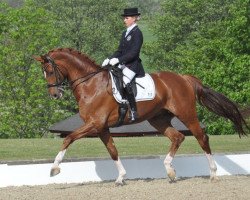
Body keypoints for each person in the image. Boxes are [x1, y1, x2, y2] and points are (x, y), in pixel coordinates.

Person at [102, 7, 145, 121]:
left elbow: (134, 53)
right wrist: (109, 58)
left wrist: (118, 60)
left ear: (134, 19)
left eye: (127, 18)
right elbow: (120, 51)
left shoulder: (137, 33)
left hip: (132, 65)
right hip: (123, 64)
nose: (124, 20)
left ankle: (133, 110)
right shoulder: (125, 33)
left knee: (125, 82)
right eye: (124, 18)